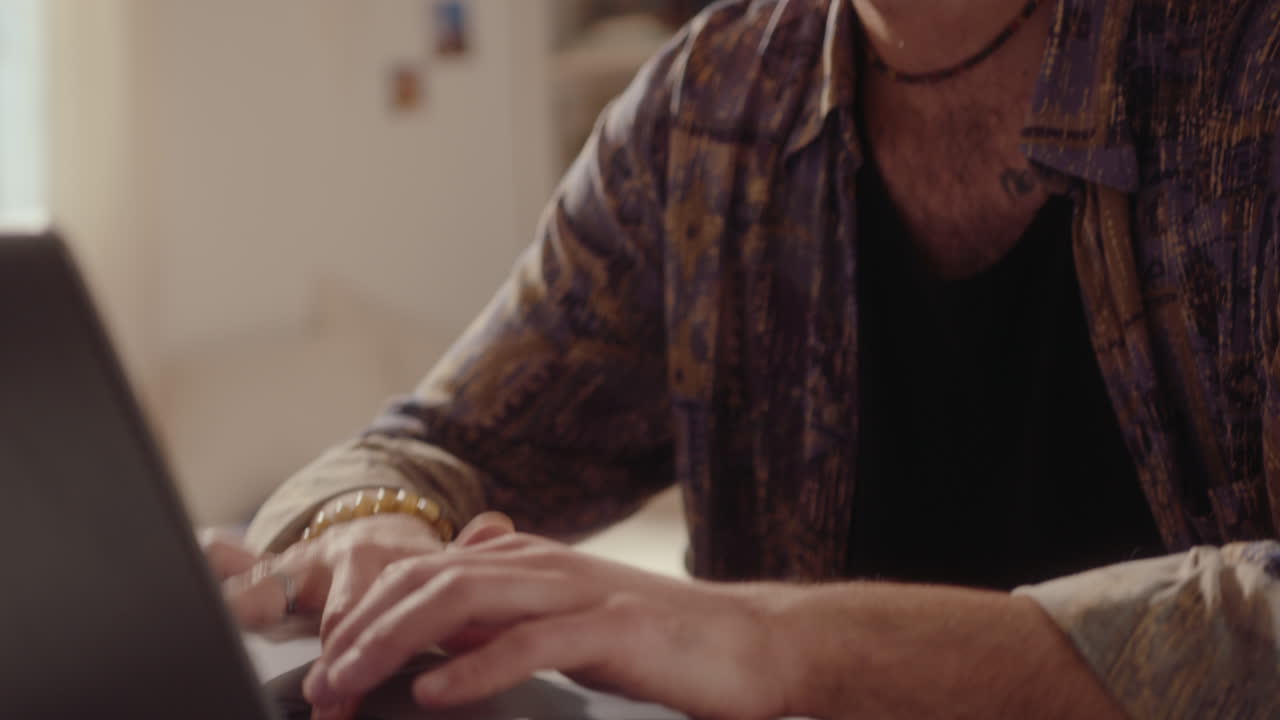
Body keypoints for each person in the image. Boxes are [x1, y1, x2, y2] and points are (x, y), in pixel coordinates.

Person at [203, 0, 1280, 717]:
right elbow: (430, 443)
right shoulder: (713, 102)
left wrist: (779, 638)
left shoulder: (1244, 66)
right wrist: (373, 533)